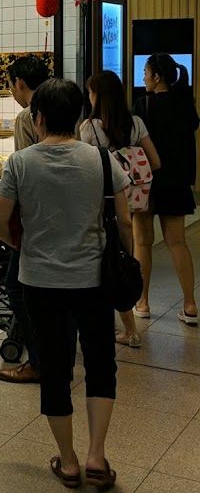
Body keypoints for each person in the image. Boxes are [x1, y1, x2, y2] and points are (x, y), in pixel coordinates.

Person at [0, 79, 132, 490]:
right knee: (101, 362)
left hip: (40, 281)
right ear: (78, 116)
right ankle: (97, 455)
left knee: (55, 367)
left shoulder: (20, 164)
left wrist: (24, 246)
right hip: (93, 279)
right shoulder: (101, 160)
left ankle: (68, 461)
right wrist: (125, 257)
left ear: (38, 118)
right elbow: (124, 221)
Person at [80, 70, 161, 347]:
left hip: (101, 205)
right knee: (121, 259)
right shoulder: (136, 123)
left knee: (106, 262)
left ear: (98, 95)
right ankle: (130, 321)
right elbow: (155, 161)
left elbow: (85, 168)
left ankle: (127, 329)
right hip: (132, 201)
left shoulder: (89, 128)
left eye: (91, 93)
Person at [132, 53, 199, 325]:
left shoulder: (143, 105)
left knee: (142, 243)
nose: (143, 78)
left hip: (147, 182)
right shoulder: (185, 104)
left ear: (157, 76)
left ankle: (142, 302)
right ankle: (190, 305)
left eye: (146, 73)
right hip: (176, 183)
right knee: (178, 243)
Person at [0, 54, 50, 384]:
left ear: (19, 83)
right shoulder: (63, 108)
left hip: (34, 217)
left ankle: (39, 360)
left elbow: (24, 171)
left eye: (10, 85)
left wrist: (7, 229)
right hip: (63, 215)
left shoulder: (26, 117)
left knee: (17, 288)